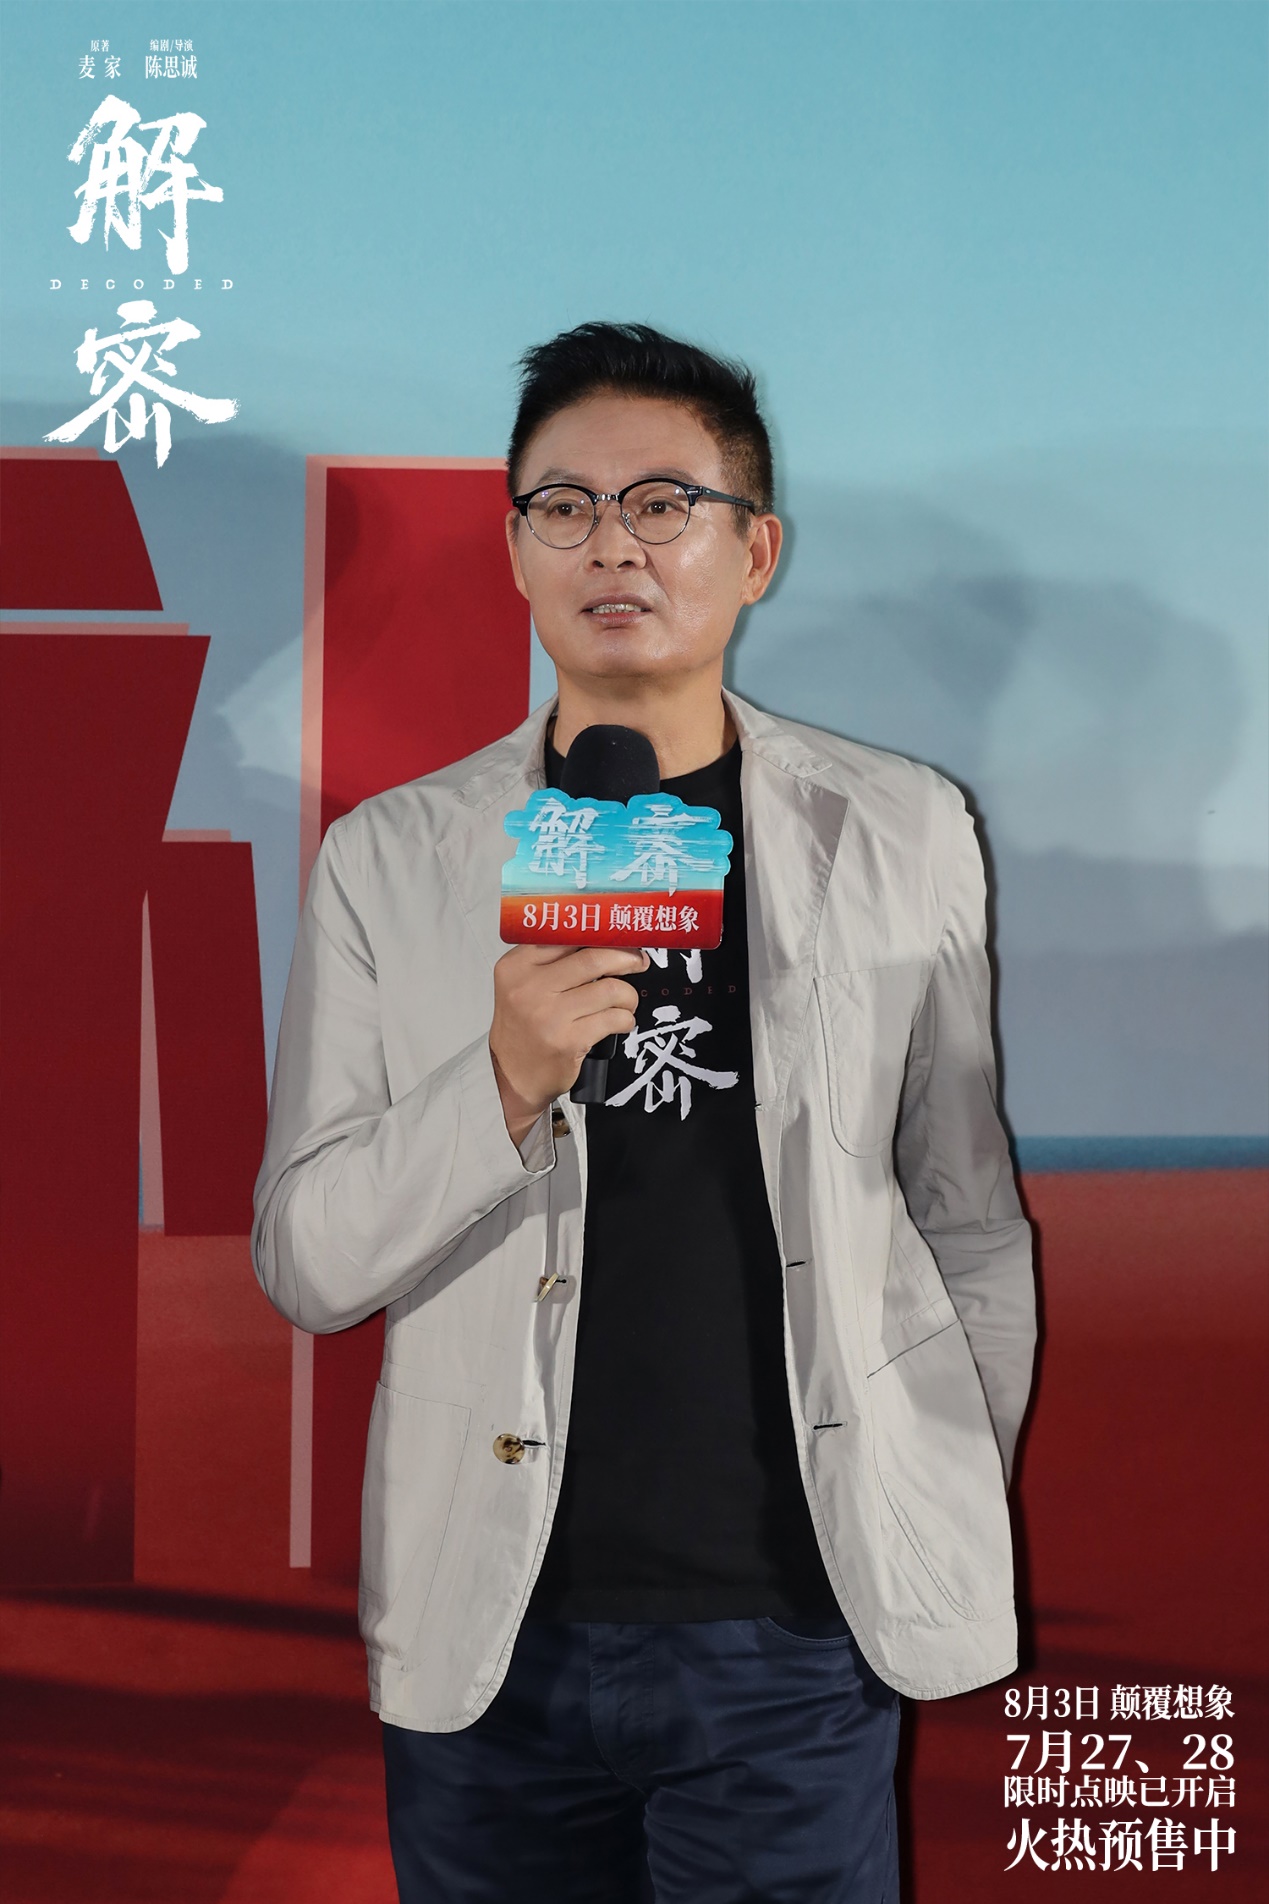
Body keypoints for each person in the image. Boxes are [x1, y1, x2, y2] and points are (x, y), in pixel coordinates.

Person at [252, 321, 1036, 1902]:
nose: (611, 543)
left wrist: (916, 1479)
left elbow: (964, 1213)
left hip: (794, 1629)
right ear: (515, 553)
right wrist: (499, 1082)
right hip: (490, 1628)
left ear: (755, 553)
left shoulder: (900, 830)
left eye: (662, 504)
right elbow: (307, 1261)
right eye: (564, 507)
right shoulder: (393, 860)